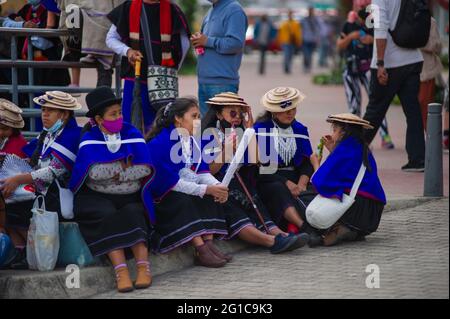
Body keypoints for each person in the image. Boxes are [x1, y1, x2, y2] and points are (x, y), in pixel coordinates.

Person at [69, 87, 153, 293]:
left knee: (134, 213)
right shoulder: (90, 137)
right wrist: (124, 165)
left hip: (129, 195)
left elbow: (144, 168)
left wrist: (121, 174)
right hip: (97, 197)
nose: (118, 117)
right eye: (113, 114)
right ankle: (121, 271)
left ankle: (143, 268)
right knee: (106, 215)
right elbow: (94, 173)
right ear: (99, 119)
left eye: (120, 112)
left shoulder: (130, 132)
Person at [202, 92, 309, 253]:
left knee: (255, 204)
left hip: (237, 184)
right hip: (216, 185)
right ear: (218, 114)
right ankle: (271, 242)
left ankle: (281, 235)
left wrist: (249, 129)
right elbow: (210, 170)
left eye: (240, 113)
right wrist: (226, 151)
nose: (237, 117)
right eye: (232, 113)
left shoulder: (240, 133)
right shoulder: (209, 134)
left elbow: (257, 160)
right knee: (236, 212)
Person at [145, 97, 230, 268]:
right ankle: (200, 248)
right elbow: (171, 183)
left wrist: (218, 187)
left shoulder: (190, 141)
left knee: (211, 194)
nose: (199, 121)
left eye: (199, 116)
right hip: (163, 196)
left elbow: (202, 170)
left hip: (181, 188)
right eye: (194, 116)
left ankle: (208, 243)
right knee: (184, 199)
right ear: (178, 118)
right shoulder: (160, 143)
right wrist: (206, 189)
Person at [0, 91, 81, 269]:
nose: (44, 114)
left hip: (59, 195)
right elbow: (34, 160)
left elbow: (53, 171)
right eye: (43, 110)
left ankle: (23, 253)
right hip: (44, 191)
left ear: (64, 114)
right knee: (8, 201)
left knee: (16, 207)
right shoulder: (48, 134)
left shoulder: (71, 136)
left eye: (50, 111)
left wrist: (19, 178)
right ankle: (20, 252)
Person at [298, 113, 386, 246]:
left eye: (334, 130)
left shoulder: (344, 150)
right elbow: (347, 175)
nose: (332, 134)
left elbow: (320, 181)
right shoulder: (362, 148)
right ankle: (350, 230)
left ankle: (325, 230)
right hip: (373, 212)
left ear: (343, 132)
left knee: (304, 196)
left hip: (355, 208)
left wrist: (316, 163)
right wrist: (333, 151)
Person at [106, 0, 191, 131]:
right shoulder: (129, 7)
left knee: (161, 123)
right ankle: (133, 150)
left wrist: (170, 71)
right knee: (132, 122)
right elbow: (111, 38)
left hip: (159, 81)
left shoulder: (172, 10)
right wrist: (128, 51)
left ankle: (154, 150)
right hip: (137, 77)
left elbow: (184, 43)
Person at [363, 0, 425, 172]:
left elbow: (381, 26)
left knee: (374, 112)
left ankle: (351, 155)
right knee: (413, 112)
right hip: (413, 59)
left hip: (389, 63)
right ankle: (418, 159)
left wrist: (381, 63)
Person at [254, 87, 315, 238]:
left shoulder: (300, 129)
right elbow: (260, 167)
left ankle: (316, 224)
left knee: (316, 190)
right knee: (278, 189)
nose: (290, 113)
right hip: (269, 177)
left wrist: (302, 184)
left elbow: (307, 163)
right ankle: (305, 227)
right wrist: (287, 183)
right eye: (285, 109)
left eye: (293, 108)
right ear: (273, 111)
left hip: (295, 176)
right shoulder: (261, 129)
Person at [337, 9, 394, 150]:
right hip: (351, 70)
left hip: (369, 69)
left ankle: (385, 137)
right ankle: (353, 139)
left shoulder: (375, 24)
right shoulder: (348, 25)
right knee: (354, 106)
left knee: (376, 103)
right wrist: (351, 37)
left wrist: (371, 40)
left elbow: (386, 42)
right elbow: (339, 45)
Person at [192, 0, 248, 116]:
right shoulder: (211, 10)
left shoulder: (234, 10)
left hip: (222, 83)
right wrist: (200, 40)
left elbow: (236, 43)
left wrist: (207, 41)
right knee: (207, 132)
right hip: (204, 82)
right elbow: (208, 41)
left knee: (224, 131)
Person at [0, 99, 27, 238]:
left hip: (13, 191)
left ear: (14, 129)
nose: (0, 133)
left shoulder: (19, 143)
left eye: (5, 129)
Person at [419, 17, 443, 131]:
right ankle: (419, 142)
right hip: (408, 72)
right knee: (414, 111)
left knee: (426, 106)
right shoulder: (404, 20)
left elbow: (437, 46)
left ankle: (431, 141)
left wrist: (416, 41)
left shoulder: (430, 21)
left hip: (426, 72)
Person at [278, 10, 302, 75]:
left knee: (291, 56)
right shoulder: (284, 23)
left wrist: (298, 41)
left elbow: (298, 33)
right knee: (286, 55)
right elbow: (280, 33)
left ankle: (289, 67)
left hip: (292, 42)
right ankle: (286, 67)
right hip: (285, 42)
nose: (290, 15)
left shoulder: (296, 24)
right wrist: (280, 41)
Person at [300, 7, 320, 73]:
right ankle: (305, 66)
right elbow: (300, 29)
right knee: (306, 54)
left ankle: (308, 67)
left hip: (312, 40)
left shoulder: (315, 20)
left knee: (310, 55)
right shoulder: (304, 20)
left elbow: (318, 29)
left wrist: (317, 38)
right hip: (305, 39)